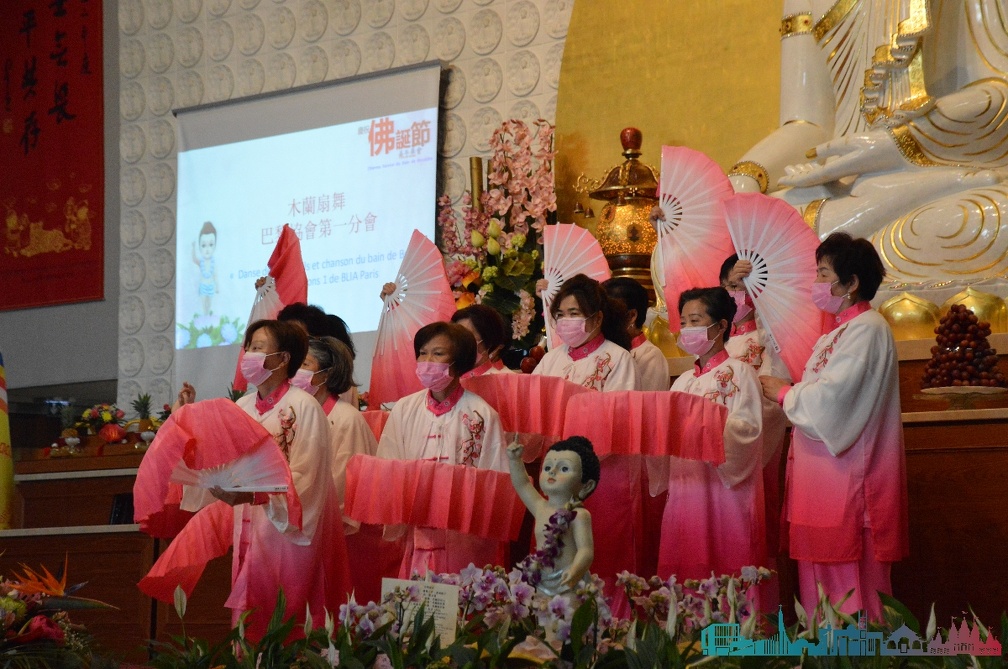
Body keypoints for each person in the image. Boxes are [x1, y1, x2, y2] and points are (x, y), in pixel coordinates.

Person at [729, 0, 1008, 281]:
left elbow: (1000, 90)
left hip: (938, 169)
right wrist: (745, 179)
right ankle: (840, 256)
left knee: (994, 217)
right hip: (834, 188)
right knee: (756, 227)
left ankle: (832, 260)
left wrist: (898, 143)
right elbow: (806, 124)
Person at [759, 232, 908, 621]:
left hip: (850, 482)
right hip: (820, 483)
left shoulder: (868, 328)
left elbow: (832, 403)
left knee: (853, 593)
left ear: (852, 281)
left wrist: (784, 393)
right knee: (820, 594)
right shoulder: (835, 335)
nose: (817, 282)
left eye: (823, 273)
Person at [177, 319, 351, 640]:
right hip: (247, 525)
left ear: (283, 358)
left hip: (287, 535)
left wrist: (257, 495)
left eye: (258, 348)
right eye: (248, 347)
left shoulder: (304, 407)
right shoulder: (242, 406)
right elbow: (220, 458)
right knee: (249, 617)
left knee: (285, 618)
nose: (249, 356)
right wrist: (187, 422)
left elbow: (307, 476)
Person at [533, 273, 640, 612]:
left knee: (602, 549)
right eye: (561, 314)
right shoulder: (551, 359)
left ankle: (607, 623)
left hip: (603, 475)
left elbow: (620, 418)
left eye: (575, 313)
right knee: (558, 550)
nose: (566, 321)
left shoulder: (618, 358)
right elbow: (535, 412)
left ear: (596, 318)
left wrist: (580, 463)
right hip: (556, 478)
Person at [376, 321, 509, 577]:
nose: (427, 361)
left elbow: (495, 478)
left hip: (463, 533)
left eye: (438, 354)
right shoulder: (404, 408)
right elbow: (388, 464)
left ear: (458, 361)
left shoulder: (481, 414)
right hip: (417, 526)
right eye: (422, 353)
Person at [659, 287, 765, 585]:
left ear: (721, 326)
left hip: (723, 489)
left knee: (726, 562)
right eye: (684, 322)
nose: (687, 329)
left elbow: (748, 431)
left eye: (696, 320)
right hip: (687, 483)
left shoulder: (740, 373)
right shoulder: (682, 381)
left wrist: (703, 424)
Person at [294, 336, 399, 604]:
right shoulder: (296, 413)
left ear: (326, 374)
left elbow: (343, 487)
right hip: (305, 526)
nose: (295, 372)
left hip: (344, 535)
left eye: (304, 364)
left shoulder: (346, 418)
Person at [719, 255, 790, 609]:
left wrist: (736, 430)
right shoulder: (715, 342)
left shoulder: (770, 339)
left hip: (754, 446)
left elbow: (774, 398)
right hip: (715, 452)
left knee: (756, 529)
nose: (737, 295)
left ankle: (762, 614)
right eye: (731, 286)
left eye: (745, 286)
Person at [507, 436, 600, 596]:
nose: (552, 471)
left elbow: (585, 551)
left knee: (568, 612)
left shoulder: (579, 515)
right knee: (542, 612)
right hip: (542, 580)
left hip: (568, 582)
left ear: (587, 485)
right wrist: (515, 460)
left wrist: (575, 571)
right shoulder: (540, 507)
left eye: (564, 469)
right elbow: (523, 484)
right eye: (548, 467)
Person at [601, 277, 669, 391]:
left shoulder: (650, 356)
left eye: (608, 313)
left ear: (632, 316)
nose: (601, 320)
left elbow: (642, 400)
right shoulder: (602, 349)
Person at [451, 304, 511, 377]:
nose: (459, 343)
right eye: (456, 336)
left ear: (489, 342)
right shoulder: (447, 376)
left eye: (466, 337)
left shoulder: (502, 379)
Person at [192, 221, 217, 315]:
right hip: (203, 286)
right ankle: (205, 316)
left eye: (211, 245)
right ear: (199, 246)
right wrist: (193, 248)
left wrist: (217, 287)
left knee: (209, 304)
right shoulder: (201, 262)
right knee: (203, 305)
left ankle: (208, 316)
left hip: (211, 286)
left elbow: (215, 275)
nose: (207, 249)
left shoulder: (213, 263)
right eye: (203, 245)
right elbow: (194, 259)